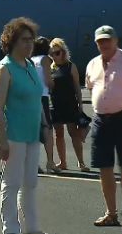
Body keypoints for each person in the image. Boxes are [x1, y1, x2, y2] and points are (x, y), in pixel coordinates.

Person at [0, 17, 50, 234]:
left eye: (31, 40)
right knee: (11, 183)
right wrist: (2, 140)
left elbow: (37, 98)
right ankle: (10, 228)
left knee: (30, 183)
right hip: (14, 134)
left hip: (32, 134)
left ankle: (32, 228)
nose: (29, 44)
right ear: (12, 42)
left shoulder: (30, 66)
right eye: (24, 40)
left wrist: (44, 124)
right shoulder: (5, 68)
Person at [85, 26, 122, 228]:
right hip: (100, 120)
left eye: (107, 40)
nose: (104, 44)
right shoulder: (92, 64)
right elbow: (91, 87)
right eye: (100, 41)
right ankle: (111, 213)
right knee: (104, 167)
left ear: (116, 40)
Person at [49, 38, 88, 172]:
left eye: (57, 52)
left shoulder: (71, 66)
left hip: (70, 104)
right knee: (58, 134)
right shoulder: (50, 68)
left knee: (74, 133)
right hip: (55, 105)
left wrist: (80, 105)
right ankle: (63, 162)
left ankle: (81, 162)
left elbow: (77, 87)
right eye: (52, 53)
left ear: (63, 52)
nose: (54, 56)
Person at [30, 37, 60, 174]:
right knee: (47, 129)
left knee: (35, 131)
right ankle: (50, 161)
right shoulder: (45, 60)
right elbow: (48, 80)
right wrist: (54, 85)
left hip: (32, 96)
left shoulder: (32, 60)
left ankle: (33, 163)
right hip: (42, 96)